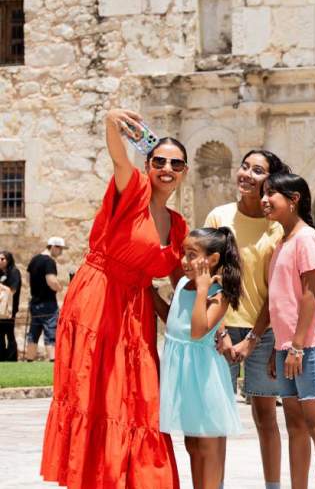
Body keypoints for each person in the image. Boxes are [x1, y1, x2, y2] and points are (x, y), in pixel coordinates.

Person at [40, 108, 190, 489]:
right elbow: (118, 157)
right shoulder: (134, 187)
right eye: (159, 160)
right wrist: (111, 123)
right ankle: (96, 478)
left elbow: (183, 285)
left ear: (185, 172)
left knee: (140, 397)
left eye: (176, 163)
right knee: (98, 393)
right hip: (98, 297)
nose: (166, 168)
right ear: (149, 163)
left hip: (136, 310)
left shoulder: (180, 226)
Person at [205, 149, 289, 489]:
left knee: (266, 416)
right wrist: (221, 330)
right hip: (218, 328)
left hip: (262, 330)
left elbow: (277, 290)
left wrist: (254, 338)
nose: (247, 174)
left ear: (269, 180)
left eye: (257, 170)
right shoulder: (217, 217)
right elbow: (208, 275)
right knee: (218, 418)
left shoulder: (277, 227)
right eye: (244, 166)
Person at [263, 172, 315, 489]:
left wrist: (296, 346)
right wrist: (277, 346)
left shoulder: (306, 239)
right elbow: (281, 299)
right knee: (294, 423)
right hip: (287, 346)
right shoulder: (283, 241)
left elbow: (310, 295)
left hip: (308, 344)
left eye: (272, 194)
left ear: (293, 200)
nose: (264, 199)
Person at [159, 227, 243, 489]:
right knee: (192, 443)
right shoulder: (183, 283)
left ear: (213, 259)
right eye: (184, 253)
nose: (184, 261)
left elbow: (197, 332)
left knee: (207, 443)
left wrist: (202, 289)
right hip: (181, 375)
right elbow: (173, 321)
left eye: (192, 254)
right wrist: (148, 293)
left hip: (203, 377)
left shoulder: (218, 294)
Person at [25, 237, 65, 362]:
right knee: (51, 332)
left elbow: (27, 279)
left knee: (34, 332)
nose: (61, 253)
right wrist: (59, 288)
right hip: (48, 303)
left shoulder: (34, 260)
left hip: (35, 303)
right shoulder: (49, 261)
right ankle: (53, 361)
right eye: (60, 249)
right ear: (54, 247)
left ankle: (29, 360)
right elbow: (51, 280)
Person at [0, 250, 22, 361]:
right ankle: (1, 357)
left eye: (2, 259)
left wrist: (2, 287)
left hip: (9, 309)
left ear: (8, 260)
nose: (0, 261)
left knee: (9, 333)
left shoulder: (14, 272)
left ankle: (11, 358)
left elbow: (13, 290)